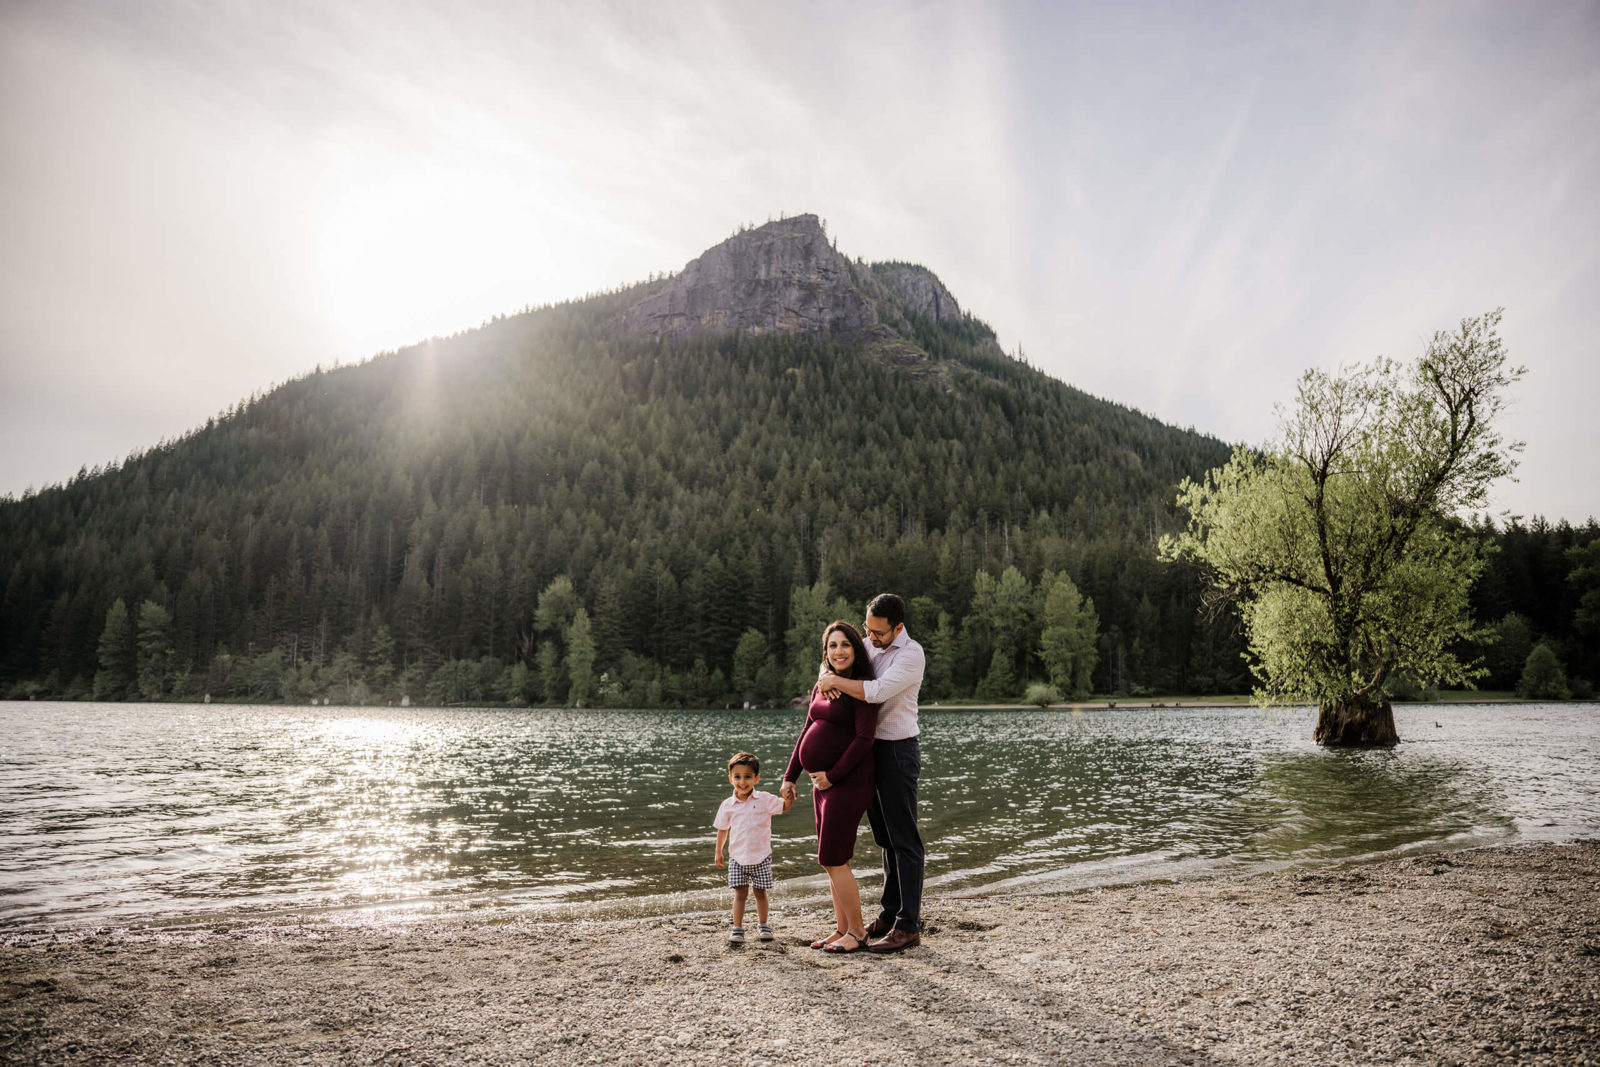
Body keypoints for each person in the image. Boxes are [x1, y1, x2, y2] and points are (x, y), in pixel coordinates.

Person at [806, 593, 926, 953]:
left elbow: (875, 691)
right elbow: (846, 664)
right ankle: (889, 914)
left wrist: (834, 682)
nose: (870, 639)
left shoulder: (910, 654)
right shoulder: (872, 647)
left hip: (898, 751)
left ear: (898, 628)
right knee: (885, 839)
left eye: (878, 633)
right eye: (867, 631)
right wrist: (828, 675)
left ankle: (909, 924)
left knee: (905, 840)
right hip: (871, 753)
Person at [780, 621, 879, 954]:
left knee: (834, 857)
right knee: (829, 860)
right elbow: (807, 728)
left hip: (847, 782)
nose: (839, 651)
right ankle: (842, 929)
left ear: (856, 650)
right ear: (826, 651)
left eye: (846, 645)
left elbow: (865, 739)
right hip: (820, 783)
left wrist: (833, 776)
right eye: (833, 645)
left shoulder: (863, 687)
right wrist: (790, 776)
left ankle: (858, 931)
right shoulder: (822, 685)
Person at [713, 751, 793, 943]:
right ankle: (737, 928)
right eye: (737, 777)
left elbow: (784, 807)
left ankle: (764, 925)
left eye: (747, 777)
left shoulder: (764, 799)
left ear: (756, 778)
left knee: (760, 893)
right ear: (730, 778)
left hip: (762, 856)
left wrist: (788, 795)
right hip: (737, 857)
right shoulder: (728, 805)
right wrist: (718, 852)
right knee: (740, 893)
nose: (742, 782)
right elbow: (723, 830)